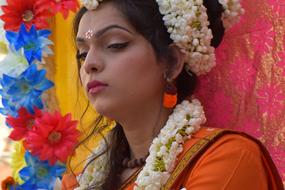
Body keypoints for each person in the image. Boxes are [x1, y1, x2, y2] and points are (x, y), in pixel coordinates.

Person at [61, 0, 284, 189]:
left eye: (115, 45)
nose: (89, 64)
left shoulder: (228, 159)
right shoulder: (79, 180)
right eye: (82, 53)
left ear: (172, 62)